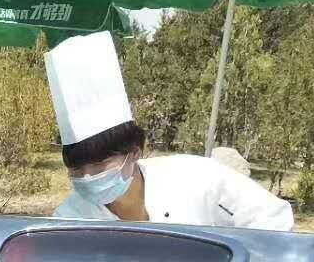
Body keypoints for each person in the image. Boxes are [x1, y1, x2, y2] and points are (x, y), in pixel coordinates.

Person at [45, 31, 293, 230]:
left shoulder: (196, 179)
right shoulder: (69, 219)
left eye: (100, 165)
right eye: (76, 170)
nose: (87, 177)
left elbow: (272, 218)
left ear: (135, 152)